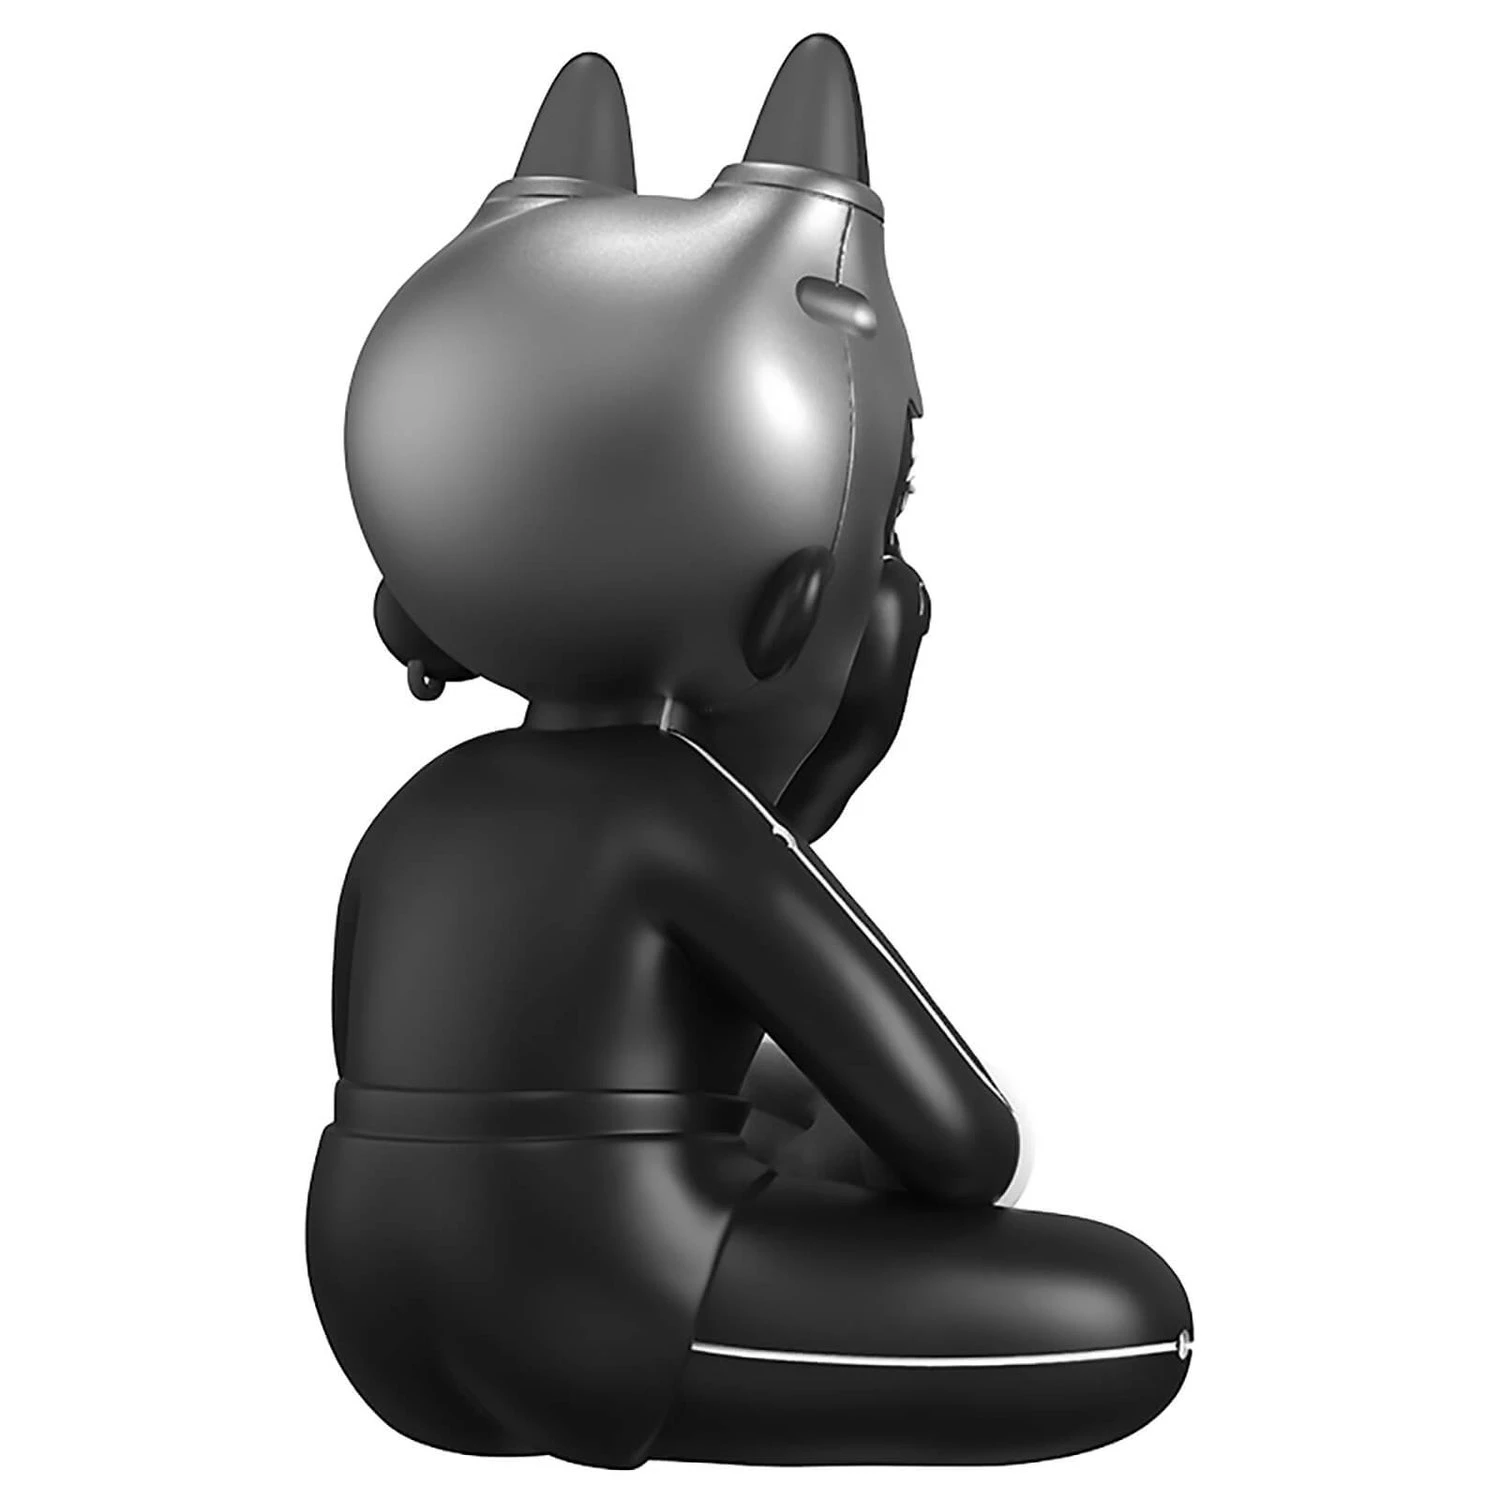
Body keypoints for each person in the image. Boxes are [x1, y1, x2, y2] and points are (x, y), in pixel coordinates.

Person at [307, 34, 1192, 1468]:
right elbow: (964, 1143)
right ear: (794, 586)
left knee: (775, 1102)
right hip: (601, 1312)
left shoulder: (419, 814)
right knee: (1131, 1320)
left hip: (372, 1317)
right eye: (879, 516)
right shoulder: (676, 812)